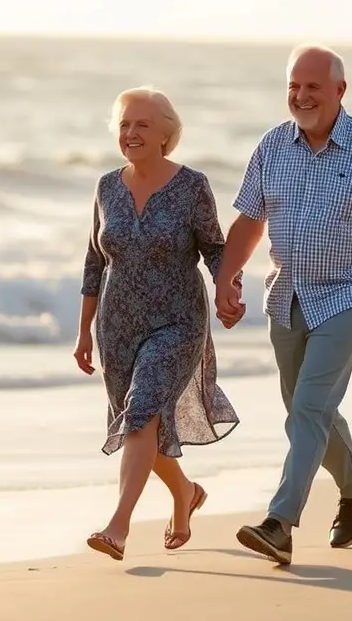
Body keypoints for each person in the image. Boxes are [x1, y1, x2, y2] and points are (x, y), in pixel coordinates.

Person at [213, 45, 352, 565]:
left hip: (349, 293)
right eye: (294, 86)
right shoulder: (271, 147)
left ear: (339, 91)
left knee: (309, 407)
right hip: (287, 294)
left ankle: (280, 523)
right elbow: (249, 220)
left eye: (313, 87)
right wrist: (226, 277)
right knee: (304, 409)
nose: (302, 96)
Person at [75, 86, 241, 561]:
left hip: (177, 320)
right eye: (124, 124)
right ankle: (185, 493)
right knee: (139, 425)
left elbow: (214, 247)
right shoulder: (107, 187)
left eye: (142, 124)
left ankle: (118, 526)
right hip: (117, 326)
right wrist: (83, 331)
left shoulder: (191, 186)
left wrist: (228, 288)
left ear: (167, 133)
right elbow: (93, 261)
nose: (131, 133)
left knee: (143, 409)